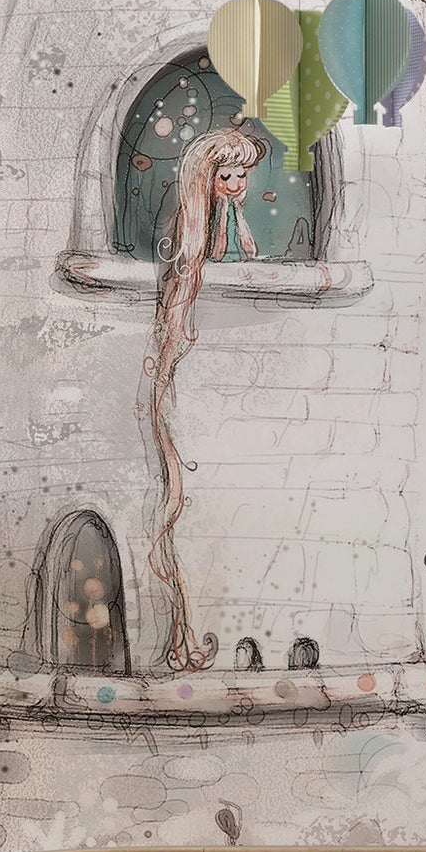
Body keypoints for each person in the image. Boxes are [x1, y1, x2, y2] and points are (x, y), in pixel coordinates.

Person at [143, 128, 267, 669]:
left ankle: (188, 631)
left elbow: (246, 252)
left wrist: (235, 216)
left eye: (241, 175)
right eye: (227, 175)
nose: (236, 183)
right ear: (206, 179)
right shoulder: (192, 225)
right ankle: (183, 629)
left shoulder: (225, 213)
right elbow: (213, 254)